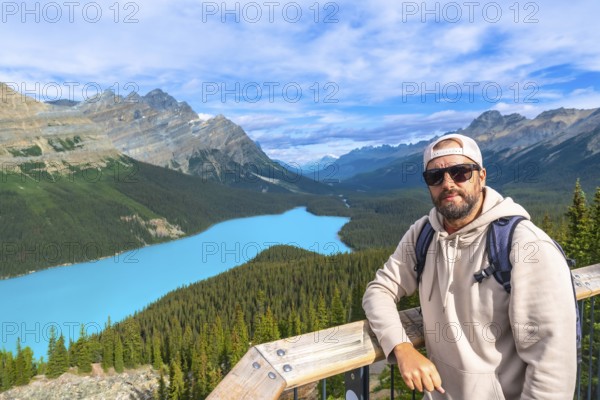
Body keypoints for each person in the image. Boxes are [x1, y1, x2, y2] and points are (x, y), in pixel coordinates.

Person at [362, 133, 577, 399]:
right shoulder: (423, 234)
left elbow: (552, 364)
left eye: (460, 172)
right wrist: (401, 348)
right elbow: (379, 290)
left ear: (482, 175)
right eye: (435, 177)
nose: (448, 183)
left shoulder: (523, 245)